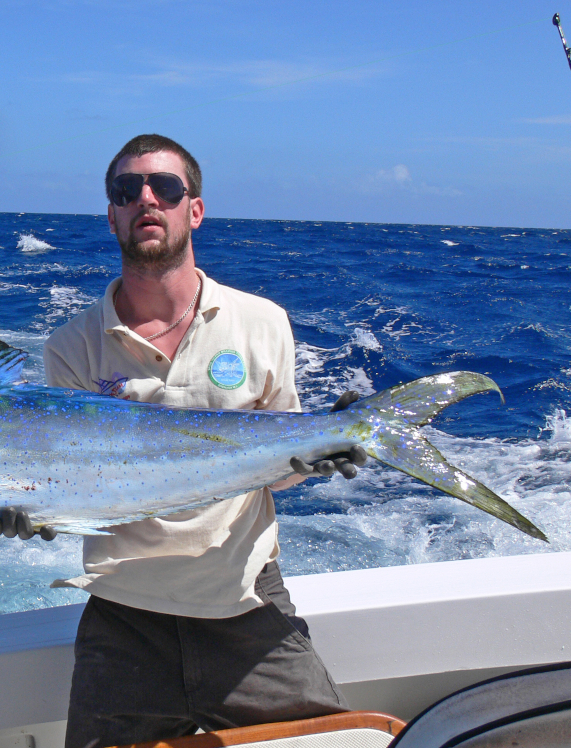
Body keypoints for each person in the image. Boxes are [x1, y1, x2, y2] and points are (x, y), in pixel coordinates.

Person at [40, 134, 364, 748]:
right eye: (126, 190)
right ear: (111, 214)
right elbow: (77, 489)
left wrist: (319, 455)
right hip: (124, 615)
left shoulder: (261, 321)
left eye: (164, 188)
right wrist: (31, 510)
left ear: (194, 210)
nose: (146, 200)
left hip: (246, 604)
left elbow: (282, 471)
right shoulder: (71, 346)